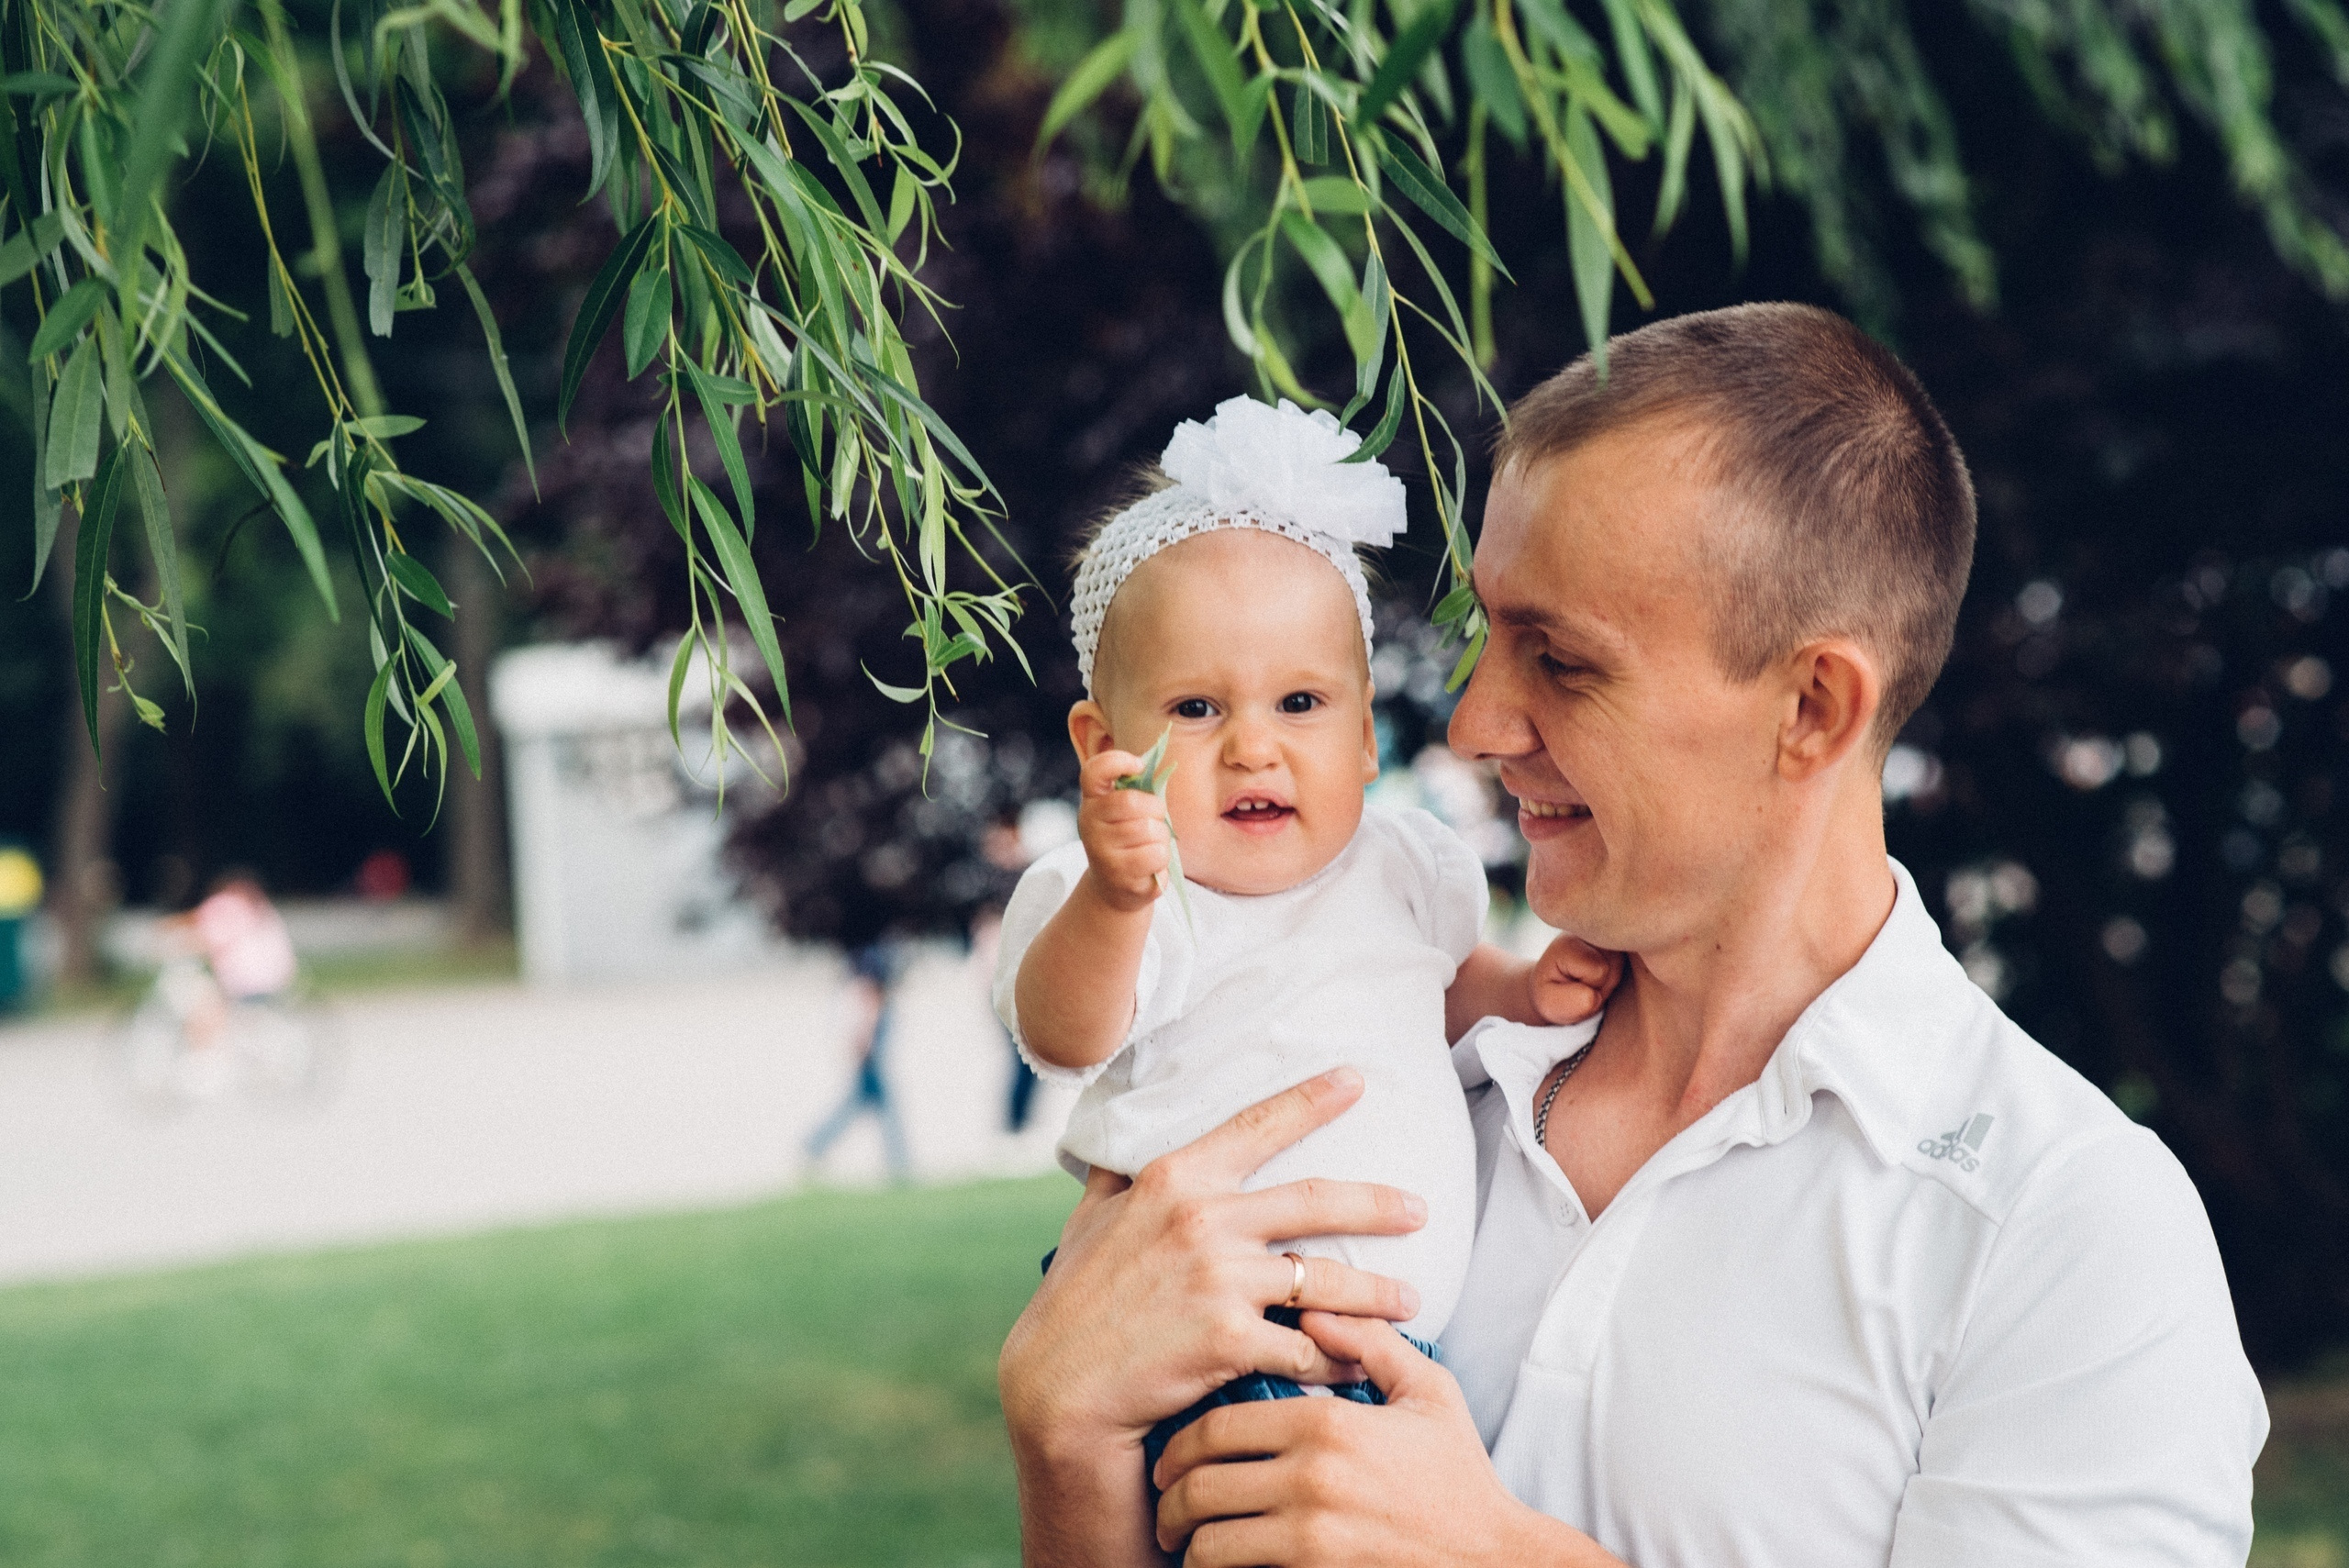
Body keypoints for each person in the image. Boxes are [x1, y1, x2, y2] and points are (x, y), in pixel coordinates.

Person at [998, 304, 2267, 1567]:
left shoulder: (2059, 1228)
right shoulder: (1404, 1072)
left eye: (1561, 660)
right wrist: (1066, 1443)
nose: (1477, 722)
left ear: (1813, 708)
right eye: (1488, 634)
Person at [996, 396, 1620, 1496]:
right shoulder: (1138, 891)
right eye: (1193, 708)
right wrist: (1113, 893)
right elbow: (1064, 1031)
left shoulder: (1404, 865)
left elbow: (1440, 991)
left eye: (1299, 701)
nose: (1252, 748)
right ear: (1104, 745)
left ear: (1367, 733)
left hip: (1381, 1349)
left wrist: (1522, 989)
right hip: (1209, 1321)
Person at [803, 943, 911, 1179]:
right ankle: (899, 1162)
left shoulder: (864, 964)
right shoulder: (872, 975)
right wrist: (866, 1041)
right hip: (871, 1059)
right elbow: (871, 1004)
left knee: (857, 1106)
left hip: (869, 1056)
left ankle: (814, 1146)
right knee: (881, 1108)